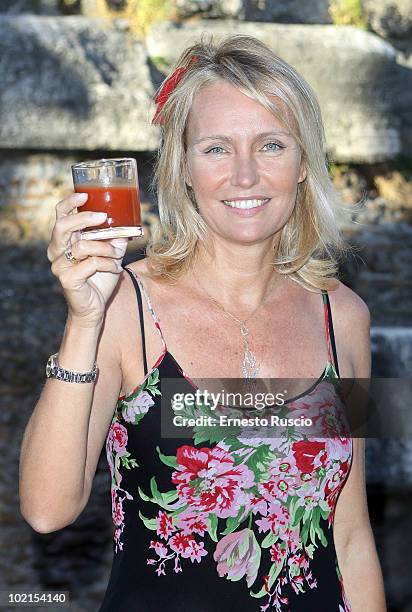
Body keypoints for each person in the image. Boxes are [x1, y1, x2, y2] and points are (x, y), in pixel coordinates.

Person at [19, 34, 386, 611]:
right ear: (183, 168)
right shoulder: (123, 306)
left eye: (270, 144)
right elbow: (46, 509)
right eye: (216, 148)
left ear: (303, 163)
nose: (245, 175)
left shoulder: (344, 316)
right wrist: (83, 321)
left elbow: (351, 534)